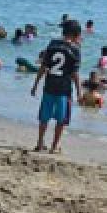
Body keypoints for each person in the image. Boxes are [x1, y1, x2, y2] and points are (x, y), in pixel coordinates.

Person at [31, 19, 82, 153]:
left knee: (44, 117)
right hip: (63, 90)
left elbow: (43, 66)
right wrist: (79, 92)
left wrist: (35, 85)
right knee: (61, 120)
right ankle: (54, 146)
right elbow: (75, 73)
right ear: (76, 34)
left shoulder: (53, 44)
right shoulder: (75, 50)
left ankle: (40, 142)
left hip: (49, 86)